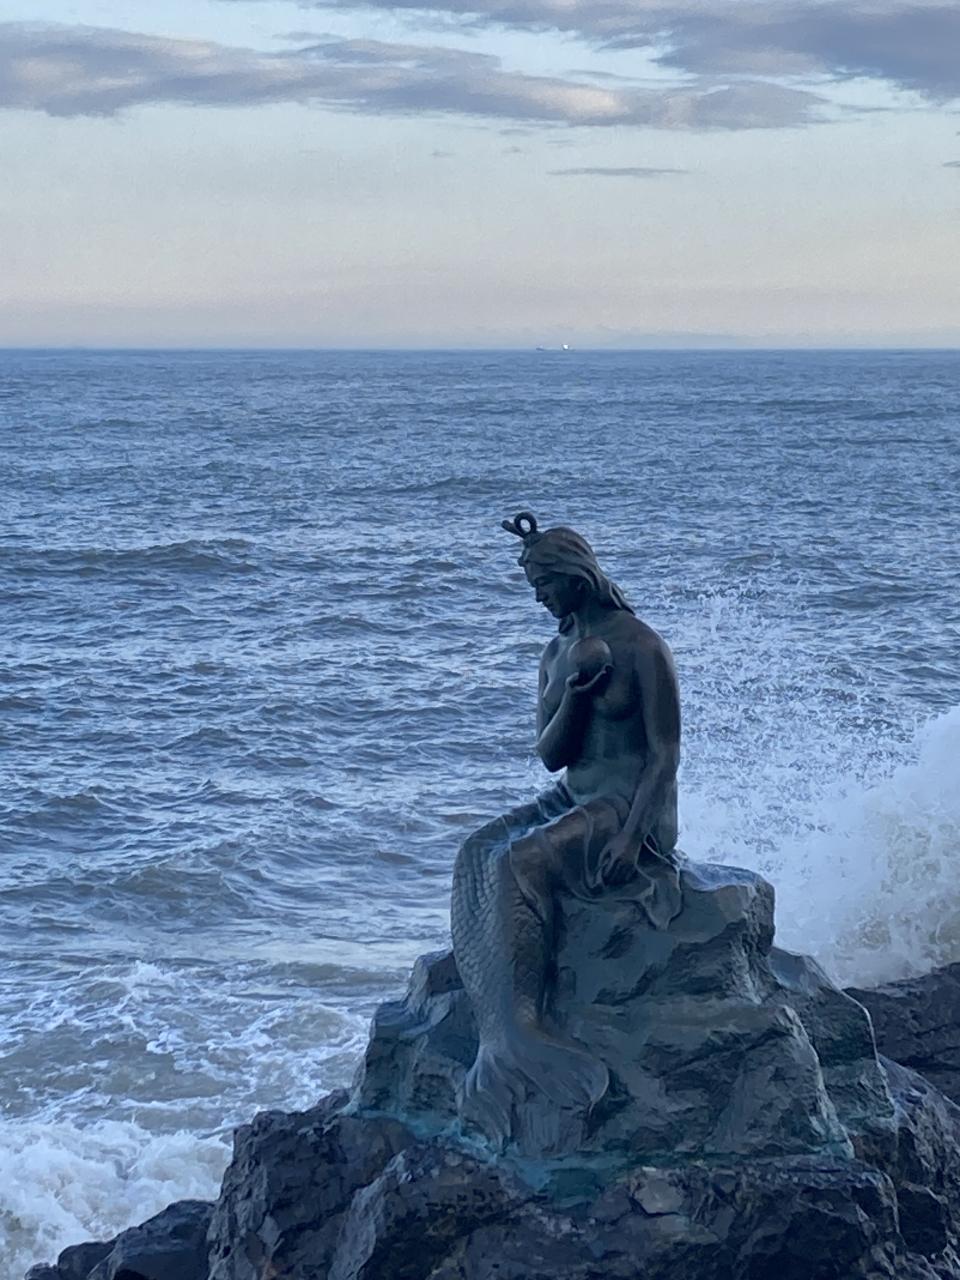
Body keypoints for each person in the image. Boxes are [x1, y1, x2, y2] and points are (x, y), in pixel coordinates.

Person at [451, 512, 682, 1145]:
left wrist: (631, 838)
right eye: (532, 588)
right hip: (574, 793)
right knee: (476, 851)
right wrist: (577, 695)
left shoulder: (642, 646)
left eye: (543, 585)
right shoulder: (556, 654)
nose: (538, 600)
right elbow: (552, 755)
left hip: (628, 805)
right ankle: (498, 1022)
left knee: (518, 861)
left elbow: (665, 755)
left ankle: (525, 1024)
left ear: (576, 577)